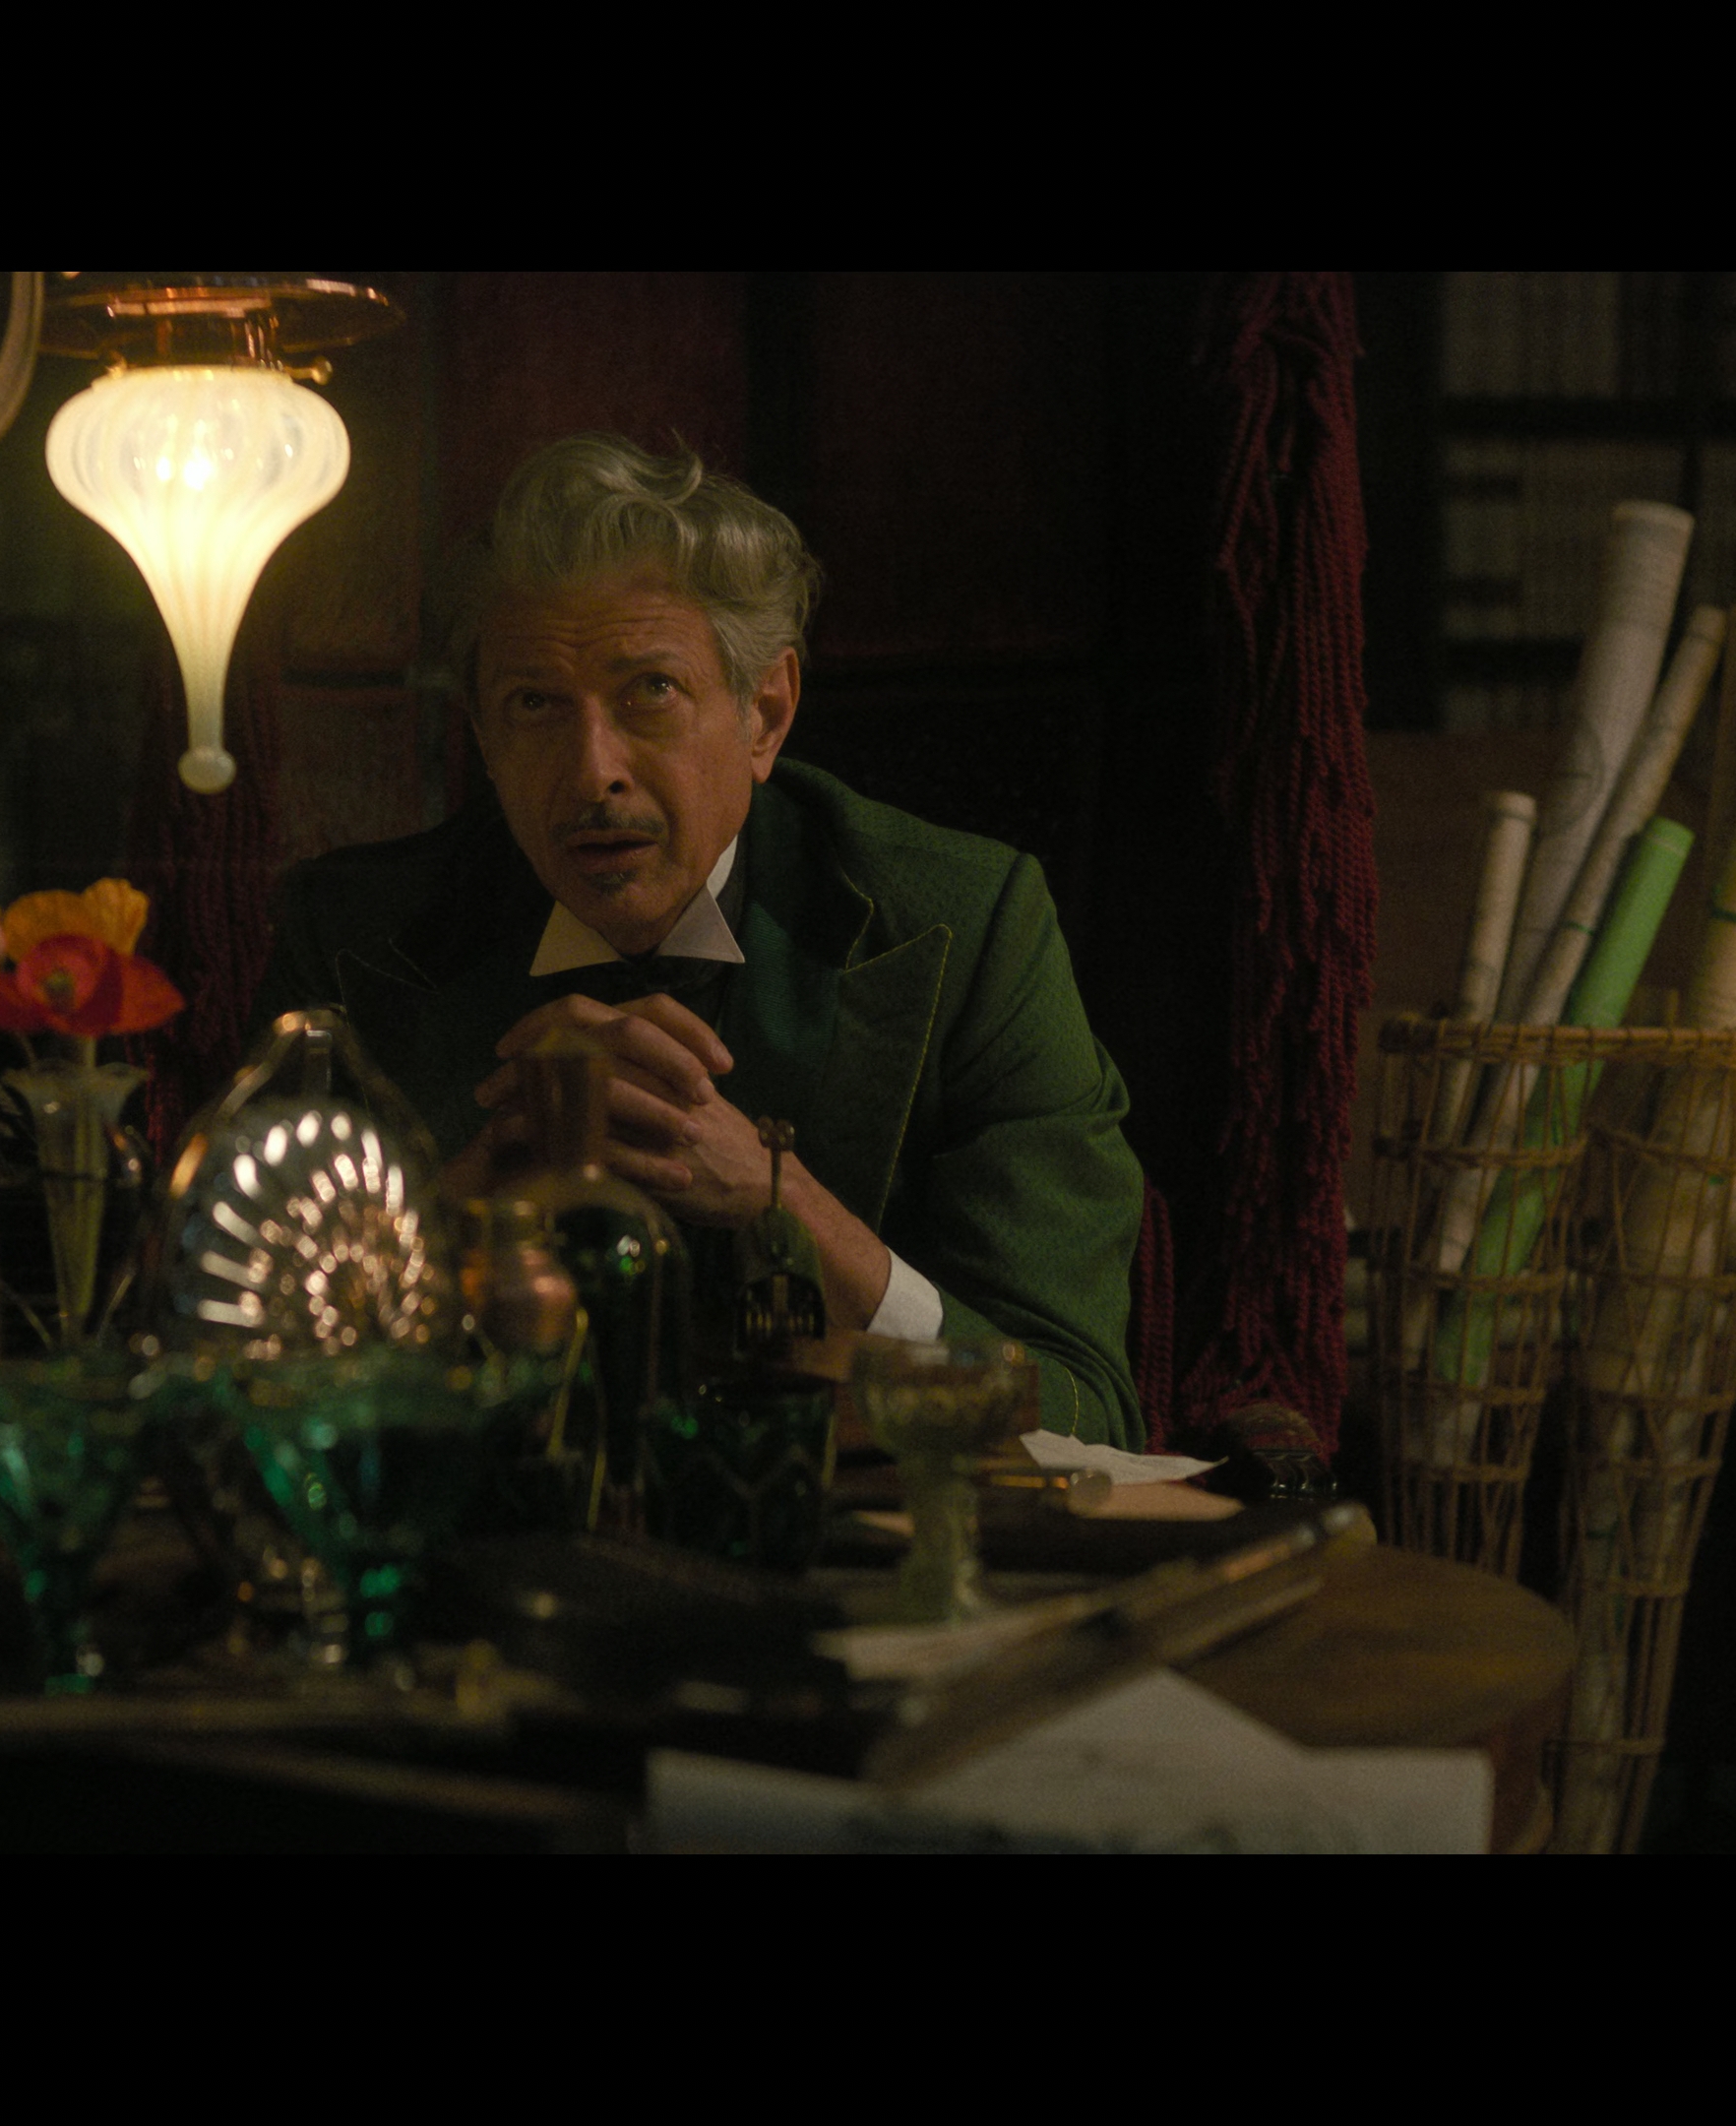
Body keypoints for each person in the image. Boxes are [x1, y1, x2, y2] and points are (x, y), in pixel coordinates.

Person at [253, 434, 1146, 1447]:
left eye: (651, 692)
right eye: (535, 705)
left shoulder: (968, 926)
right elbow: (232, 1371)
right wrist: (441, 1233)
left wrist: (784, 1203)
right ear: (485, 739)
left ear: (765, 713)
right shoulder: (350, 940)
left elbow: (1084, 1410)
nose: (592, 772)